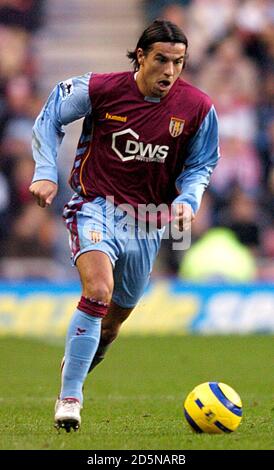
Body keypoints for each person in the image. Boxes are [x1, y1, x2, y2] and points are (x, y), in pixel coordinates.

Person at [30, 19, 219, 432]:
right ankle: (70, 397)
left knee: (112, 323)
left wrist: (188, 199)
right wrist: (45, 170)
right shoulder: (100, 89)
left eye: (179, 62)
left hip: (149, 222)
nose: (170, 71)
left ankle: (76, 362)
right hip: (94, 205)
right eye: (161, 60)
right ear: (140, 57)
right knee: (97, 290)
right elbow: (49, 116)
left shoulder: (198, 108)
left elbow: (201, 164)